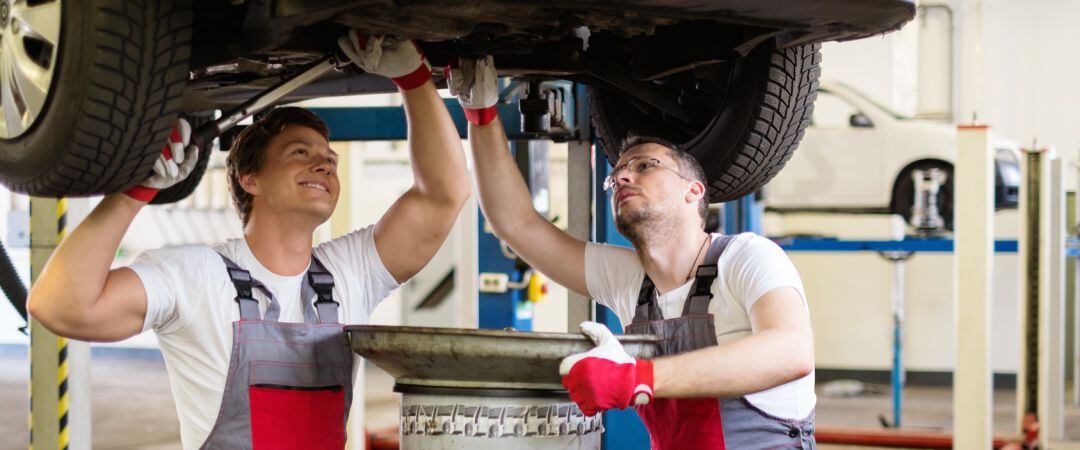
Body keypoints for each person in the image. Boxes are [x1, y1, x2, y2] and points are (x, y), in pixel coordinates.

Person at [27, 33, 470, 449]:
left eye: (329, 159)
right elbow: (59, 306)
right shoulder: (198, 275)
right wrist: (137, 193)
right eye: (301, 153)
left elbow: (444, 194)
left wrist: (414, 78)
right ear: (249, 178)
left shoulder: (347, 274)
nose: (324, 166)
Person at [448, 56, 817, 448]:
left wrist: (638, 378)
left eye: (646, 166)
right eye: (617, 173)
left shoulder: (746, 257)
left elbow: (790, 352)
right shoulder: (632, 282)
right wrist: (482, 116)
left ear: (694, 191)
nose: (622, 175)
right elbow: (516, 224)